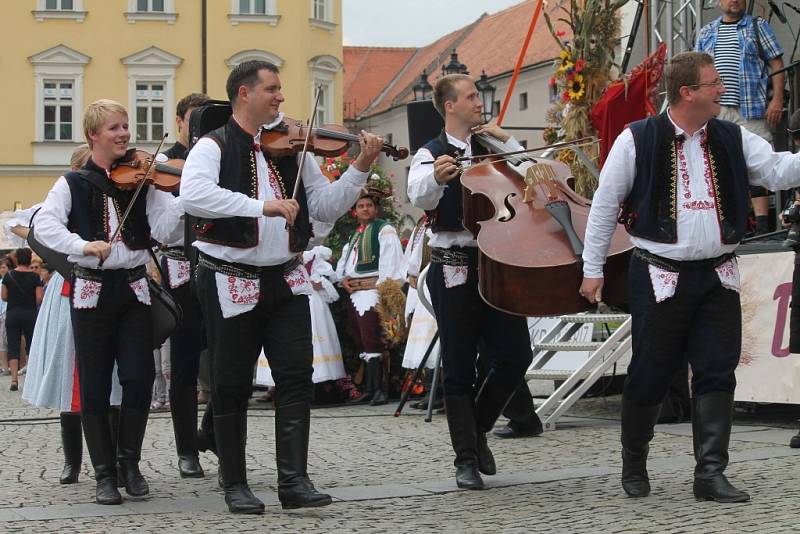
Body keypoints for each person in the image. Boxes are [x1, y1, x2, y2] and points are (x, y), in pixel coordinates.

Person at [580, 51, 800, 503]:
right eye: (714, 83)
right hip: (659, 274)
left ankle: (710, 474)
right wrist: (592, 268)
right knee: (650, 373)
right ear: (687, 92)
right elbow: (604, 205)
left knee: (718, 371)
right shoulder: (637, 139)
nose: (722, 89)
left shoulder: (731, 136)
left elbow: (778, 170)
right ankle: (634, 461)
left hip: (718, 274)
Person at [180, 60, 383, 514]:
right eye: (272, 89)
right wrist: (262, 206)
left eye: (279, 88)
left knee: (296, 377)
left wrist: (360, 168)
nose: (280, 97)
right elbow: (192, 195)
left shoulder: (294, 150)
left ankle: (294, 481)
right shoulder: (213, 146)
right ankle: (234, 483)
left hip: (286, 276)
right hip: (229, 277)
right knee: (231, 383)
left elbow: (326, 207)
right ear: (244, 94)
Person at [34, 99, 184, 505]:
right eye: (114, 128)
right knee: (96, 383)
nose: (123, 134)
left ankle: (128, 463)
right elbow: (44, 225)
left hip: (134, 287)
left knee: (138, 377)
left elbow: (166, 230)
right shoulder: (72, 183)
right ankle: (103, 474)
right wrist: (81, 245)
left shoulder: (141, 180)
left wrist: (177, 196)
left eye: (125, 127)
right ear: (93, 136)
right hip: (91, 291)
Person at [407, 73, 534, 490]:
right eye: (470, 97)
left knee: (515, 355)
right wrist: (437, 179)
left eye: (477, 95)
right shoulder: (431, 153)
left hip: (499, 260)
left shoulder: (490, 146)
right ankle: (465, 459)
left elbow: (535, 176)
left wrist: (508, 141)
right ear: (449, 105)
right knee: (459, 364)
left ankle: (477, 428)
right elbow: (418, 195)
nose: (478, 102)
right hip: (454, 263)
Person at [696, 0, 786, 235]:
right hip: (718, 110)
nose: (735, 0)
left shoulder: (758, 26)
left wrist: (777, 99)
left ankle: (763, 227)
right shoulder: (707, 32)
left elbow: (776, 63)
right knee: (723, 164)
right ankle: (734, 223)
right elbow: (696, 71)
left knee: (758, 162)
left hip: (751, 108)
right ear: (718, 2)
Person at [158, 92, 211, 480]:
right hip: (180, 268)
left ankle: (210, 432)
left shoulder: (221, 155)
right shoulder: (164, 164)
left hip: (222, 265)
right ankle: (186, 449)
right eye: (194, 122)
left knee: (234, 361)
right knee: (186, 363)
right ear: (180, 122)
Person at [335, 188, 405, 405]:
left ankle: (381, 390)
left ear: (376, 208)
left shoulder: (384, 231)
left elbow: (389, 262)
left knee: (374, 340)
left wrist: (383, 291)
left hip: (373, 293)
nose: (365, 209)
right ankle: (370, 388)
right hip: (355, 293)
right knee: (361, 341)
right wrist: (342, 278)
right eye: (360, 206)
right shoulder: (357, 233)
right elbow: (345, 261)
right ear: (355, 211)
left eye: (368, 206)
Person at [1, 248, 43, 391]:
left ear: (17, 260)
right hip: (30, 314)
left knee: (13, 345)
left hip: (13, 314)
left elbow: (4, 296)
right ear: (29, 259)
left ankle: (14, 380)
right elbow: (39, 298)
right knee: (32, 344)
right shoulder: (35, 277)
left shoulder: (8, 276)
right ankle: (32, 380)